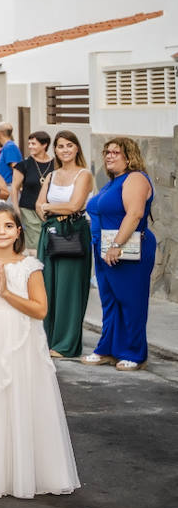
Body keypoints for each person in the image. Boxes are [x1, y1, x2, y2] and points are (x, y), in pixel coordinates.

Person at [0, 203, 79, 498]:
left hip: (21, 339)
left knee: (20, 398)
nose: (2, 232)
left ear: (18, 231)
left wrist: (7, 293)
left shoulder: (29, 266)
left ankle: (24, 470)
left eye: (8, 226)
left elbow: (40, 309)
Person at [83, 137, 156, 372]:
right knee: (110, 301)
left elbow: (134, 214)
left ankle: (135, 353)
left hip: (127, 248)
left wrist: (116, 245)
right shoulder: (112, 182)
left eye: (116, 152)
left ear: (129, 156)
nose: (109, 156)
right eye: (107, 152)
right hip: (105, 249)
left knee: (131, 301)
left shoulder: (135, 178)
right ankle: (108, 349)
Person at [36, 131, 94, 359]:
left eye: (70, 145)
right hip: (50, 233)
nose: (65, 150)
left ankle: (66, 345)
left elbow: (74, 206)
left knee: (69, 289)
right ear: (56, 151)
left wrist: (49, 208)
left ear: (77, 148)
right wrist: (47, 209)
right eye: (61, 146)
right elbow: (38, 204)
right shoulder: (51, 175)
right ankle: (48, 340)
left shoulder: (84, 174)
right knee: (47, 286)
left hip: (74, 233)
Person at [11, 131, 54, 254]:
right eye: (29, 143)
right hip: (29, 209)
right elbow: (14, 187)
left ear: (44, 145)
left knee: (51, 243)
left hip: (50, 209)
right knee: (35, 243)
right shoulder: (23, 165)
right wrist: (16, 208)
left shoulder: (55, 164)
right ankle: (37, 269)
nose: (30, 146)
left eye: (33, 143)